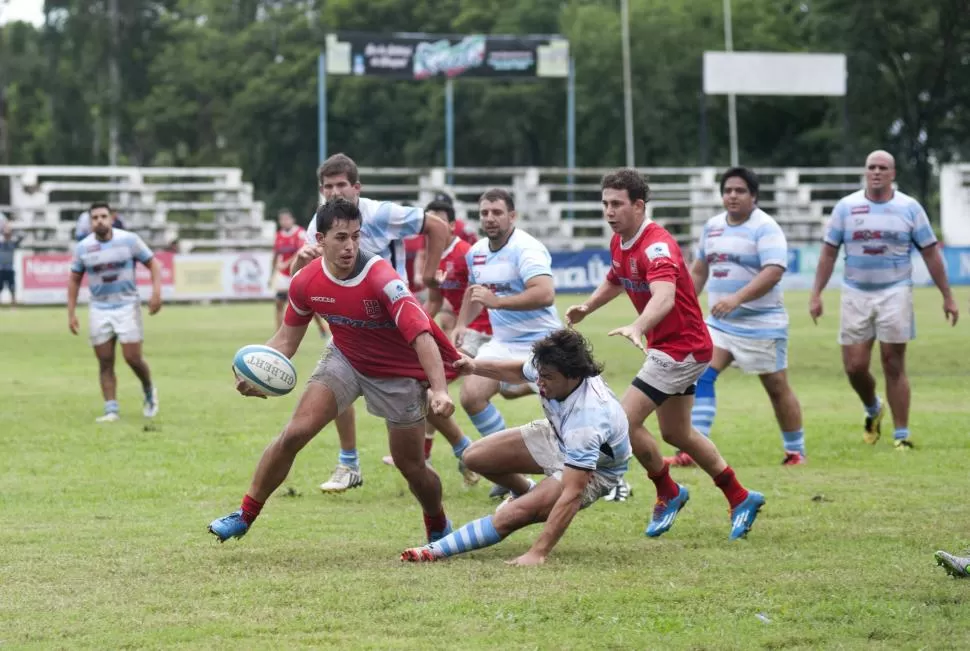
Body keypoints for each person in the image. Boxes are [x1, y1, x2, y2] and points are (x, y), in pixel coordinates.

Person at [208, 198, 459, 544]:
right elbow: (285, 341)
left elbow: (421, 335)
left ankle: (437, 522)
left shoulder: (382, 278)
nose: (350, 246)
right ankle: (244, 514)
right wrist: (252, 371)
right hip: (346, 359)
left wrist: (440, 390)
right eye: (341, 238)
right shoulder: (305, 282)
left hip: (397, 372)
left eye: (356, 237)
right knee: (294, 434)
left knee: (410, 465)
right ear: (320, 239)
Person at [565, 168, 765, 540]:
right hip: (674, 347)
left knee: (622, 421)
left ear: (639, 206)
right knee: (677, 433)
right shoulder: (620, 241)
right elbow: (615, 277)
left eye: (618, 204)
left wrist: (639, 325)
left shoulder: (657, 245)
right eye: (605, 204)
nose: (609, 212)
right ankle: (740, 496)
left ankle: (667, 491)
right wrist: (588, 307)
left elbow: (665, 297)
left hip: (681, 348)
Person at [292, 153, 452, 493]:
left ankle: (468, 452)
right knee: (333, 385)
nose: (335, 193)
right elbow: (305, 284)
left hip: (397, 324)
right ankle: (348, 463)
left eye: (341, 185)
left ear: (357, 187)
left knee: (432, 391)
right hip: (353, 325)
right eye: (328, 187)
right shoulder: (316, 226)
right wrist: (300, 261)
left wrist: (427, 274)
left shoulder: (380, 213)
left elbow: (437, 226)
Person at [401, 329, 630, 565]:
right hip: (558, 434)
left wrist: (538, 552)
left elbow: (573, 493)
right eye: (539, 374)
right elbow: (518, 370)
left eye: (547, 377)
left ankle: (432, 550)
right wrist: (473, 366)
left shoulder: (587, 419)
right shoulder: (549, 366)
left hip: (597, 468)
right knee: (474, 457)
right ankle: (525, 491)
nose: (539, 382)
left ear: (572, 376)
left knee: (511, 516)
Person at [809, 150, 958, 449]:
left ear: (893, 173)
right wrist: (816, 293)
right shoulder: (846, 208)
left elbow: (930, 252)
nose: (876, 172)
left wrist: (947, 296)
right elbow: (828, 252)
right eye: (871, 167)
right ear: (865, 172)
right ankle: (873, 408)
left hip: (895, 291)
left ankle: (901, 436)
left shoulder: (910, 208)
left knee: (893, 362)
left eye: (883, 167)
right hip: (855, 292)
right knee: (854, 366)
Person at [680, 166, 806, 467]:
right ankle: (694, 450)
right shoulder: (712, 227)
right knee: (702, 373)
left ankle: (795, 451)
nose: (732, 196)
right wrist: (683, 306)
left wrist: (736, 298)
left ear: (754, 197)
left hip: (762, 323)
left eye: (740, 191)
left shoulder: (766, 228)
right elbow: (699, 270)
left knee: (776, 386)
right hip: (720, 324)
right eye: (727, 190)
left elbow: (773, 271)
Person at [455, 188, 562, 499]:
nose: (490, 218)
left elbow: (545, 293)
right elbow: (475, 290)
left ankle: (601, 473)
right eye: (485, 212)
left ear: (512, 216)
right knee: (471, 396)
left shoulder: (527, 248)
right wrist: (461, 323)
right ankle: (508, 470)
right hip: (503, 342)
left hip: (543, 341)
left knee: (563, 414)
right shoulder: (475, 251)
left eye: (497, 212)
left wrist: (498, 303)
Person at [67, 201, 162, 422]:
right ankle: (111, 409)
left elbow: (153, 264)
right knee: (105, 360)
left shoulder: (129, 240)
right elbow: (74, 280)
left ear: (111, 218)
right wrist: (71, 313)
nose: (99, 221)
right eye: (95, 218)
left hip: (127, 305)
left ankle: (149, 391)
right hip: (99, 307)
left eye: (103, 216)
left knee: (132, 358)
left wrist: (157, 292)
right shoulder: (83, 248)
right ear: (90, 221)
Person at [269, 208, 330, 337]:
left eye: (287, 219)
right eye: (282, 219)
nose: (284, 222)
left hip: (297, 272)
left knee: (306, 305)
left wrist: (286, 263)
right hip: (283, 276)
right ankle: (279, 333)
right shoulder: (279, 235)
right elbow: (275, 255)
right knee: (279, 304)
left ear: (292, 220)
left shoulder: (300, 233)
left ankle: (321, 327)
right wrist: (273, 272)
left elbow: (302, 251)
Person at [0, 222, 24, 307]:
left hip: (10, 269)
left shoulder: (12, 243)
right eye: (6, 234)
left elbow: (22, 236)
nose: (7, 236)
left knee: (12, 288)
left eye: (8, 234)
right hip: (1, 269)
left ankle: (13, 304)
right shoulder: (1, 243)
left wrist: (12, 229)